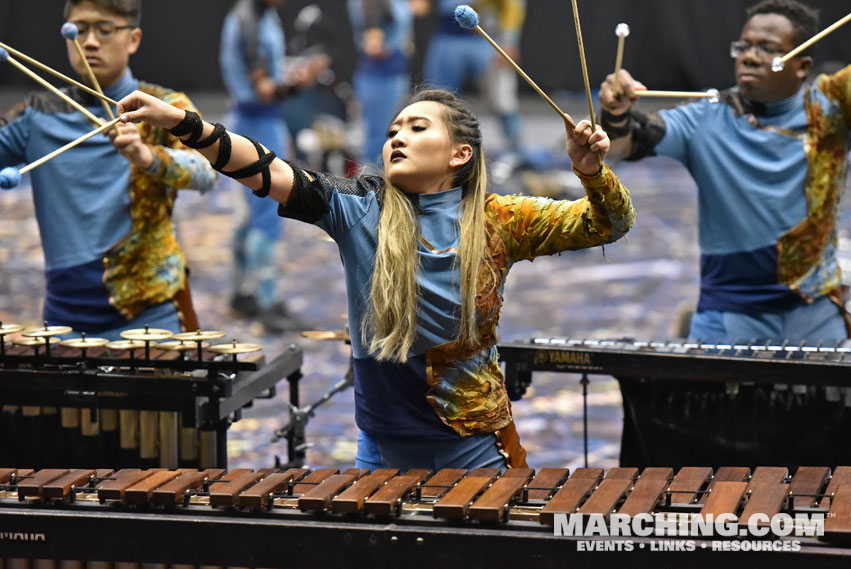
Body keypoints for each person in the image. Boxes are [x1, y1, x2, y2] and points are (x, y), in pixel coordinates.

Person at [115, 87, 634, 470]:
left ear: (460, 154)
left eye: (417, 127)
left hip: (477, 451)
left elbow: (610, 222)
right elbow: (264, 169)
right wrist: (185, 124)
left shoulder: (501, 218)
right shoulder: (357, 208)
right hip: (382, 455)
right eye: (392, 132)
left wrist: (591, 172)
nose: (397, 138)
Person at [599, 0, 850, 343]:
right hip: (728, 317)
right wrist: (615, 113)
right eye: (744, 46)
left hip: (815, 313)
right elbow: (618, 146)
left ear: (801, 65)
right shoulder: (706, 118)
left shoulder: (831, 109)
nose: (749, 56)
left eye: (767, 49)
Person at [0, 0, 216, 340]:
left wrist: (148, 157)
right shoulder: (36, 116)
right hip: (64, 316)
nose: (89, 42)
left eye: (104, 30)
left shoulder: (163, 107)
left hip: (151, 313)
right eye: (79, 30)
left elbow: (207, 171)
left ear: (133, 39)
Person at [220, 0, 326, 333]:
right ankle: (268, 303)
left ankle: (242, 293)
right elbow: (265, 90)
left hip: (251, 121)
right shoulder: (250, 20)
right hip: (257, 125)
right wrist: (301, 83)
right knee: (268, 214)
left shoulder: (256, 14)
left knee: (250, 215)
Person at [421, 0, 526, 156]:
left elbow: (513, 5)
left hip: (485, 38)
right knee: (436, 101)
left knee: (502, 99)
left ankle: (518, 153)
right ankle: (431, 152)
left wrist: (509, 42)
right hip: (447, 37)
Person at [347, 0, 414, 167]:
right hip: (381, 79)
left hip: (393, 76)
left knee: (391, 136)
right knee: (380, 143)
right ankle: (371, 187)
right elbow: (373, 46)